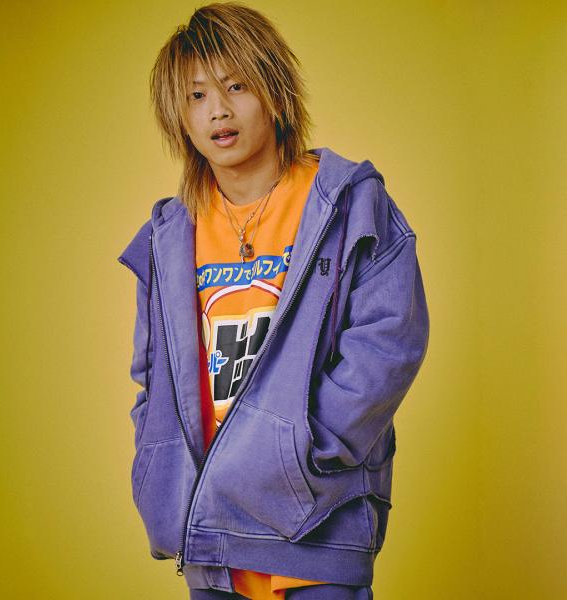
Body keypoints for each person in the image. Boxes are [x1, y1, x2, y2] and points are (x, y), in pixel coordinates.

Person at [117, 3, 430, 599]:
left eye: (236, 86)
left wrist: (304, 451)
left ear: (275, 92)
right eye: (197, 96)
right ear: (179, 117)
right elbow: (152, 374)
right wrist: (159, 465)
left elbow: (389, 342)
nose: (218, 110)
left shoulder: (347, 204)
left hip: (316, 524)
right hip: (211, 531)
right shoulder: (169, 236)